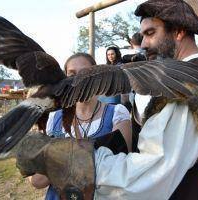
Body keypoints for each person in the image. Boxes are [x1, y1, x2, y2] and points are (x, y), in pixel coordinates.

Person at [93, 0, 198, 199]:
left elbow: (154, 169)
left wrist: (90, 162)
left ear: (179, 31)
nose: (144, 44)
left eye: (150, 33)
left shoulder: (191, 78)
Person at [28, 53, 132, 200]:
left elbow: (119, 171)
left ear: (98, 76)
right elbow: (37, 180)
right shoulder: (53, 119)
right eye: (72, 74)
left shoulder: (117, 114)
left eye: (85, 73)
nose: (78, 79)